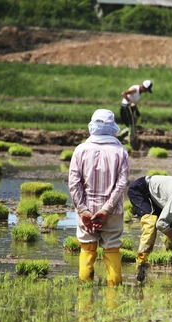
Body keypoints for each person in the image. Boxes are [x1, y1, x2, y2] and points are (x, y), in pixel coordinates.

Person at [68, 109, 129, 287]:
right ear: (112, 127)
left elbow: (74, 183)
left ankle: (85, 300)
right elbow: (122, 184)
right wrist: (106, 209)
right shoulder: (120, 152)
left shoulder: (81, 150)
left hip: (86, 209)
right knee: (112, 249)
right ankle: (113, 298)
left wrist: (83, 210)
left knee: (87, 249)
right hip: (113, 211)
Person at [119, 80, 153, 150]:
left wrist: (137, 111)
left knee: (132, 126)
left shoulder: (139, 92)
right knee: (131, 126)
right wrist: (130, 102)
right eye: (146, 90)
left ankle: (119, 137)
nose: (146, 91)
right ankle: (131, 145)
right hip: (126, 107)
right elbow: (123, 93)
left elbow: (134, 103)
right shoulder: (135, 89)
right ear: (143, 87)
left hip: (129, 108)